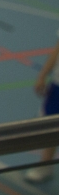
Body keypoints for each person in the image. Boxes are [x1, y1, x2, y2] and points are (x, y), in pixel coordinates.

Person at [30, 33, 59, 183]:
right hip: (58, 85)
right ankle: (45, 165)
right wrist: (42, 75)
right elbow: (57, 49)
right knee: (50, 126)